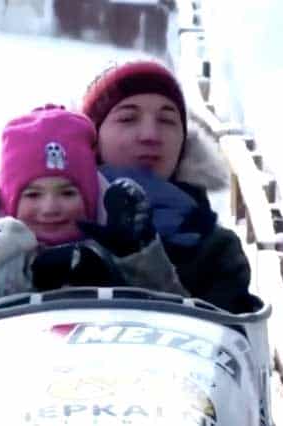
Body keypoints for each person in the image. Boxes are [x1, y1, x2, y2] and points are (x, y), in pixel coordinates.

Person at [0, 105, 186, 312]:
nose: (50, 208)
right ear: (9, 198)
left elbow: (175, 308)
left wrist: (137, 255)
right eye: (32, 194)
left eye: (68, 193)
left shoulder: (108, 241)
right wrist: (31, 271)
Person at [79, 59, 259, 314]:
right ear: (93, 137)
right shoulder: (52, 223)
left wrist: (141, 257)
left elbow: (225, 342)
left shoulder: (215, 249)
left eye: (167, 120)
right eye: (128, 118)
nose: (150, 134)